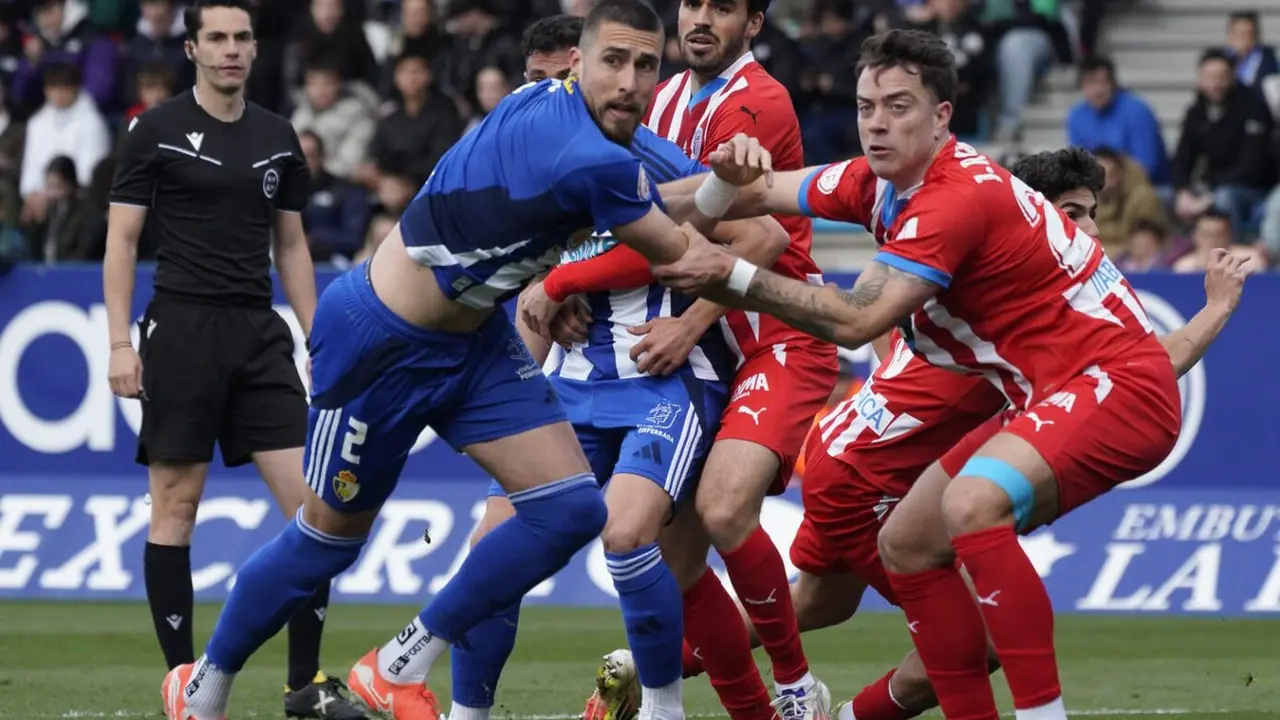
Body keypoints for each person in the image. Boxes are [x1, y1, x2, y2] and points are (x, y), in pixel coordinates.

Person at [157, 2, 724, 719]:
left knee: (573, 509)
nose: (631, 80)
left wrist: (725, 187)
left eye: (647, 65)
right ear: (576, 65)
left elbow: (646, 205)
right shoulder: (584, 152)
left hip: (474, 343)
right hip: (378, 342)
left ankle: (399, 663)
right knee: (326, 542)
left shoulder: (584, 133)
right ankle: (203, 685)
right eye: (614, 60)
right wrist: (839, 304)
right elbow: (679, 245)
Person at [652, 29, 1190, 720]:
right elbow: (758, 190)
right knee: (908, 542)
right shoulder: (874, 182)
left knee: (970, 506)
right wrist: (623, 206)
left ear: (942, 117)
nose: (877, 121)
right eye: (866, 104)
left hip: (1115, 382)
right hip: (1046, 392)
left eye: (899, 105)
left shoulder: (953, 196)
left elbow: (854, 321)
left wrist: (729, 275)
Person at [452, 16, 791, 720]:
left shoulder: (647, 156)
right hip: (574, 387)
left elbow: (764, 231)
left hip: (664, 380)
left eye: (561, 82)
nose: (549, 97)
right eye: (536, 84)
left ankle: (682, 707)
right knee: (493, 546)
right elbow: (527, 302)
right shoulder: (516, 166)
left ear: (585, 72)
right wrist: (523, 390)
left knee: (632, 537)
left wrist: (691, 317)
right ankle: (467, 713)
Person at [527, 2, 838, 716]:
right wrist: (576, 282)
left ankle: (797, 689)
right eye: (692, 3)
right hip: (717, 348)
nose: (701, 18)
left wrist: (687, 325)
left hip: (775, 332)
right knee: (680, 567)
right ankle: (749, 706)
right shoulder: (661, 93)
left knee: (724, 508)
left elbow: (752, 238)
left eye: (722, 8)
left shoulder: (754, 101)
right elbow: (634, 224)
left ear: (753, 24)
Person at [102, 2, 362, 718]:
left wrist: (321, 338)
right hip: (181, 330)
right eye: (215, 38)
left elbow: (293, 246)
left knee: (317, 513)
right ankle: (186, 684)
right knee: (176, 505)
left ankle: (302, 687)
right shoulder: (153, 131)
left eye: (241, 37)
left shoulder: (279, 137)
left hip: (258, 333)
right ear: (191, 49)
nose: (230, 50)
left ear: (253, 48)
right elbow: (121, 242)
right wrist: (121, 343)